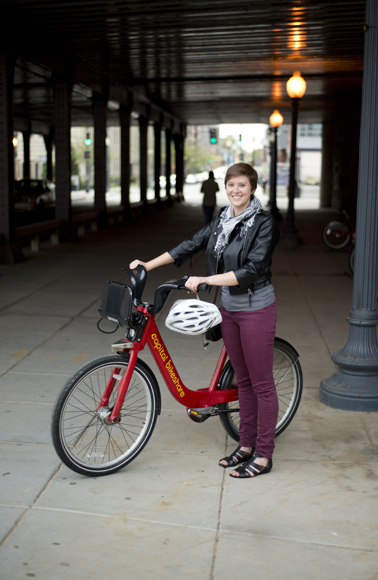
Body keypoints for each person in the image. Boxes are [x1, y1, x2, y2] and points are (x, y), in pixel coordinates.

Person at [130, 162, 280, 480]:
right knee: (244, 381)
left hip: (255, 309)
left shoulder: (264, 224)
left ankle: (264, 454)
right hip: (229, 309)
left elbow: (251, 270)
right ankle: (246, 444)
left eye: (242, 185)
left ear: (253, 188)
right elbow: (189, 245)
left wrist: (206, 278)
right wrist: (148, 263)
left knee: (262, 383)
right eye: (231, 185)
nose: (236, 190)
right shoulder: (222, 220)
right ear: (224, 188)